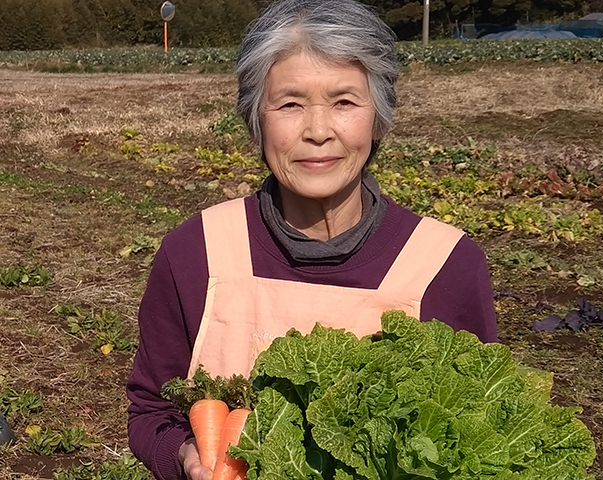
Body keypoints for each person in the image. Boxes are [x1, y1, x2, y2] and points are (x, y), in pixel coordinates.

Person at [126, 0, 498, 479]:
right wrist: (184, 457)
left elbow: (472, 434)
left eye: (344, 102)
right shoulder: (194, 252)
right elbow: (152, 411)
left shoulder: (446, 265)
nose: (318, 131)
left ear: (378, 119)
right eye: (290, 104)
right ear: (256, 122)